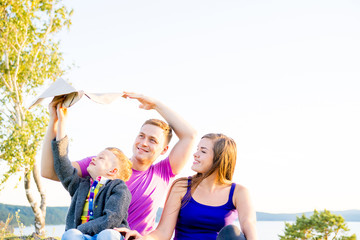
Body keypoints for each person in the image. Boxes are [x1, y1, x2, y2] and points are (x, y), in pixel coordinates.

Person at [41, 92, 197, 235]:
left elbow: (190, 135)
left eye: (152, 140)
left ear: (164, 150)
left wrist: (155, 104)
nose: (143, 143)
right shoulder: (105, 163)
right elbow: (51, 171)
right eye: (141, 136)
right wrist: (54, 121)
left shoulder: (163, 173)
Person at [117, 133, 258, 240]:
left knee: (232, 232)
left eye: (203, 151)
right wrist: (142, 238)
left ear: (219, 158)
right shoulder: (182, 186)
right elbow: (163, 232)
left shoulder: (238, 192)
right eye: (197, 149)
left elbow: (249, 226)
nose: (195, 154)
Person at [52, 102, 132, 240]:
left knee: (108, 235)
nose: (94, 158)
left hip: (108, 233)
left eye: (101, 158)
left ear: (113, 171)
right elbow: (62, 166)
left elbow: (112, 219)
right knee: (71, 235)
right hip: (82, 236)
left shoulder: (118, 187)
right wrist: (61, 125)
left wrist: (81, 229)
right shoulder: (80, 185)